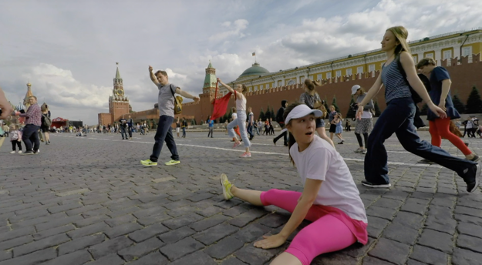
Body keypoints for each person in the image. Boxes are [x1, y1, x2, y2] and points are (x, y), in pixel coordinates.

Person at [220, 103, 368, 265]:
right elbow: (309, 196)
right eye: (302, 120)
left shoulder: (320, 150)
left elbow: (308, 199)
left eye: (311, 119)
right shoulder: (294, 149)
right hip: (322, 207)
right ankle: (232, 189)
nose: (310, 124)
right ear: (289, 126)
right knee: (273, 195)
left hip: (348, 218)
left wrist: (282, 235)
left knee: (305, 239)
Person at [356, 26, 480, 192]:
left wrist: (430, 103)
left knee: (375, 138)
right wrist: (362, 103)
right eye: (383, 38)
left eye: (387, 39)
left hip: (401, 103)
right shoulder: (385, 65)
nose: (382, 41)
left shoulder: (403, 56)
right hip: (398, 105)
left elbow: (415, 80)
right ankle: (466, 167)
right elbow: (375, 86)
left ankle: (378, 178)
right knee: (414, 145)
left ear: (397, 41)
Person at [417, 58, 479, 162]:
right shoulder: (433, 73)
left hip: (440, 106)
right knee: (433, 131)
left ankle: (470, 155)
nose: (421, 70)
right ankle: (435, 155)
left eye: (422, 67)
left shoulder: (438, 69)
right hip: (435, 106)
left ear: (429, 64)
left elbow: (447, 82)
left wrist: (442, 100)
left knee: (444, 132)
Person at [140, 66, 200, 167]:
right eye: (158, 78)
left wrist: (192, 97)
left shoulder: (171, 86)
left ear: (166, 76)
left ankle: (153, 159)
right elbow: (152, 79)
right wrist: (151, 71)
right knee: (169, 139)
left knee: (159, 137)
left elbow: (181, 92)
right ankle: (175, 158)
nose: (159, 79)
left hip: (167, 116)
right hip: (164, 116)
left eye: (160, 77)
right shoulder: (160, 87)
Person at [218, 78, 252, 158]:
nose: (237, 88)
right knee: (229, 126)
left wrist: (221, 82)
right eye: (237, 87)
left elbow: (230, 89)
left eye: (239, 87)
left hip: (241, 115)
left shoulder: (240, 95)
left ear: (242, 89)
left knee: (243, 133)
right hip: (240, 114)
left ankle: (248, 152)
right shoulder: (241, 96)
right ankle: (237, 141)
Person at [351, 85, 374, 154]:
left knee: (365, 133)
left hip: (366, 116)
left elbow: (371, 106)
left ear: (359, 90)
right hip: (360, 116)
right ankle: (361, 147)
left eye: (356, 92)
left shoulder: (367, 95)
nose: (355, 94)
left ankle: (367, 148)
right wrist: (355, 106)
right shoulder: (358, 97)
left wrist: (361, 105)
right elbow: (359, 106)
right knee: (357, 132)